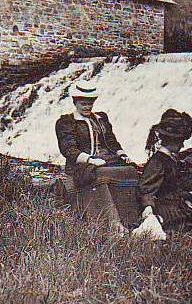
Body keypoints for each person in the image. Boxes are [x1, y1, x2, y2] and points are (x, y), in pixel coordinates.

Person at [55, 81, 137, 230]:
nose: (87, 107)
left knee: (131, 170)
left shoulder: (101, 119)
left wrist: (122, 154)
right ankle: (110, 222)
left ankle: (130, 218)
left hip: (108, 160)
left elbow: (111, 141)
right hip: (82, 164)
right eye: (83, 104)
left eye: (89, 104)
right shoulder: (67, 122)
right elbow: (68, 149)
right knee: (98, 175)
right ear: (75, 102)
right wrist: (89, 159)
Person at [137, 111, 192, 243]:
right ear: (171, 141)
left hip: (177, 205)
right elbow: (146, 187)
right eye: (180, 142)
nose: (182, 145)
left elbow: (176, 186)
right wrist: (148, 208)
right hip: (166, 209)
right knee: (191, 234)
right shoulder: (158, 161)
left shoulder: (170, 159)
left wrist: (187, 199)